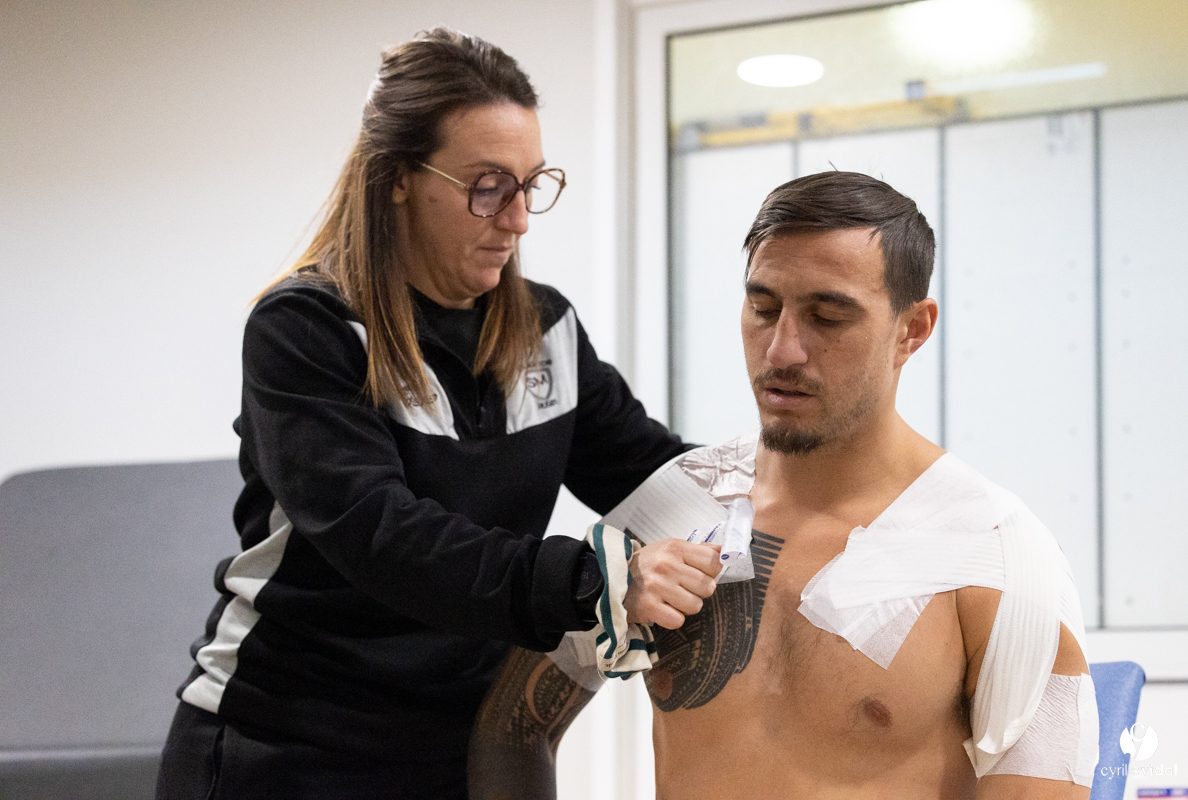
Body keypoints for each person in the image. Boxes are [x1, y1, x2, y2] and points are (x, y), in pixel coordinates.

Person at [154, 29, 722, 800]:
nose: (519, 220)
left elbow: (652, 472)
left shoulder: (544, 330)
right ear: (395, 178)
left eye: (533, 184)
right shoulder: (308, 331)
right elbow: (384, 535)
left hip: (462, 742)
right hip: (289, 742)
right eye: (488, 186)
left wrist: (800, 490)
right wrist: (598, 579)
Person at [467, 171, 1098, 800]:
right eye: (763, 308)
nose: (782, 350)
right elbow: (511, 729)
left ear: (912, 329)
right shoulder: (674, 511)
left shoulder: (996, 557)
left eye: (828, 317)